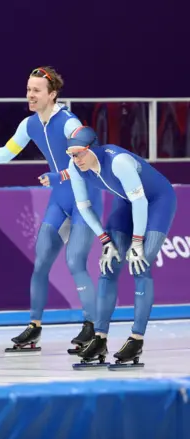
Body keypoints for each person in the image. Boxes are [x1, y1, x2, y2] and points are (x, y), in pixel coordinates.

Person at [0, 67, 103, 355]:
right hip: (60, 200)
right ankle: (35, 327)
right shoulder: (29, 125)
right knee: (40, 263)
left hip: (84, 199)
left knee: (75, 261)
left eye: (36, 90)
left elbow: (91, 155)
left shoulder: (68, 122)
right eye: (28, 89)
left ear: (52, 94)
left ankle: (92, 328)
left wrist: (61, 176)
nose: (30, 95)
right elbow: (6, 153)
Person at [63, 126, 177, 369]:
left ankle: (136, 339)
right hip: (126, 202)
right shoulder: (75, 167)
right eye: (71, 154)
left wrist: (137, 242)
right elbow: (84, 207)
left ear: (92, 148)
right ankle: (100, 337)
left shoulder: (119, 162)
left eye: (79, 154)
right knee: (109, 265)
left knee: (140, 264)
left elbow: (141, 201)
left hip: (157, 201)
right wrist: (105, 240)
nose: (75, 159)